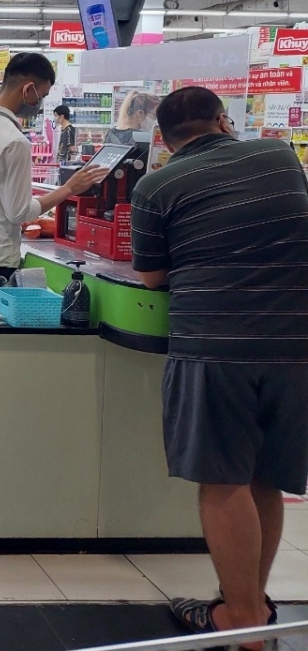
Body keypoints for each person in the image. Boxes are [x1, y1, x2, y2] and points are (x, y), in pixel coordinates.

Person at [129, 87, 308, 645]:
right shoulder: (280, 155)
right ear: (223, 121)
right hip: (295, 342)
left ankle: (242, 620)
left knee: (222, 481)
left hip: (214, 342)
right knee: (267, 478)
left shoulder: (154, 185)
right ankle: (251, 607)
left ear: (163, 139)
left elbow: (152, 278)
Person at [0, 52, 106, 285]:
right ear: (28, 89)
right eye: (41, 95)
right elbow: (18, 213)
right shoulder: (14, 141)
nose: (39, 103)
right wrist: (68, 189)